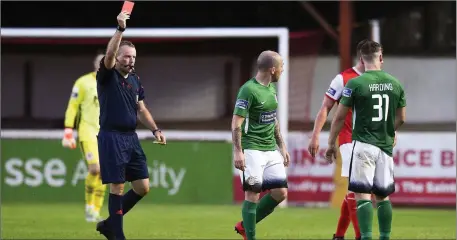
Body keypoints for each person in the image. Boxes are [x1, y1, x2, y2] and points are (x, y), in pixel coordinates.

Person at [94, 11, 166, 240]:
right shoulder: (107, 75)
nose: (130, 60)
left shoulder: (135, 79)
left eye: (133, 57)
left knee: (142, 187)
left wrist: (155, 129)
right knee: (117, 188)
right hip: (112, 137)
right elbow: (109, 54)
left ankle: (109, 225)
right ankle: (117, 235)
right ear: (117, 58)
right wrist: (120, 29)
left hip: (130, 138)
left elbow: (141, 108)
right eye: (126, 56)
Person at [325, 40, 406, 240]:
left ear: (361, 59)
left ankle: (367, 237)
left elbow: (339, 117)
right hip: (385, 147)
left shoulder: (355, 83)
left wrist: (330, 143)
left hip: (362, 145)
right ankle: (385, 237)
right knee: (383, 196)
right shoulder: (395, 83)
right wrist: (390, 131)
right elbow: (402, 118)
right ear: (381, 57)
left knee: (361, 196)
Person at [308, 40, 368, 240]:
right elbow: (326, 107)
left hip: (372, 140)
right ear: (363, 57)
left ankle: (339, 236)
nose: (382, 61)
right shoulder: (343, 78)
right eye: (379, 56)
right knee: (358, 189)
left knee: (357, 190)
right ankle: (361, 236)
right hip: (349, 139)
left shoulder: (379, 80)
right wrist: (316, 135)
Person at [232, 50, 290, 240]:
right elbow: (236, 123)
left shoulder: (271, 89)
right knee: (252, 194)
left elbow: (273, 120)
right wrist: (238, 151)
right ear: (273, 69)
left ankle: (244, 226)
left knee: (280, 193)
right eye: (281, 66)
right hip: (252, 149)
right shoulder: (248, 90)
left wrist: (282, 146)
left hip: (270, 148)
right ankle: (250, 236)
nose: (283, 69)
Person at [62, 53, 106, 223]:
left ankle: (96, 209)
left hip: (107, 133)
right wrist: (68, 129)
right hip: (87, 131)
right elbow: (72, 106)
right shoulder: (83, 83)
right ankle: (89, 207)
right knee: (95, 169)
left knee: (105, 173)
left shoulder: (115, 83)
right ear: (95, 65)